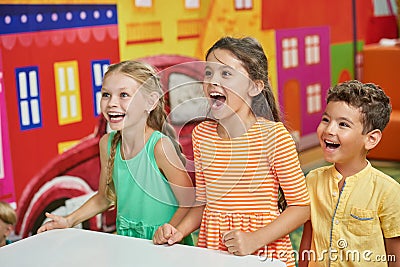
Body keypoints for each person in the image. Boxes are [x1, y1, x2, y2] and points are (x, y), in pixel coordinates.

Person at [153, 36, 310, 266]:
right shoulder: (202, 135)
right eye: (209, 73)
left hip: (263, 253)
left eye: (226, 74)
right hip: (213, 251)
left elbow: (300, 207)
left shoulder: (274, 136)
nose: (213, 81)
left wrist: (254, 240)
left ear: (255, 86)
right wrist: (178, 231)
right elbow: (205, 202)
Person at [38, 60, 195, 244]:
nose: (111, 103)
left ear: (150, 102)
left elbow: (189, 201)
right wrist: (69, 220)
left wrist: (168, 231)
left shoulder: (159, 146)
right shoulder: (107, 144)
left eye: (123, 95)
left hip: (165, 245)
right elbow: (103, 198)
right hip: (128, 242)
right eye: (106, 94)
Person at [299, 80, 400, 267]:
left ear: (371, 139)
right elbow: (308, 238)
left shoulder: (388, 191)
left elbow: (395, 254)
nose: (329, 130)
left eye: (343, 124)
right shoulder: (312, 180)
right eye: (326, 120)